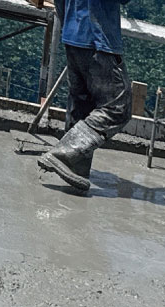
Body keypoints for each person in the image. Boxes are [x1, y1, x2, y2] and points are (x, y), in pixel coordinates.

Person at [36, 0, 134, 194]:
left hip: (72, 36)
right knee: (117, 108)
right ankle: (63, 155)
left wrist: (68, 27)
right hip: (98, 39)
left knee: (82, 103)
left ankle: (75, 167)